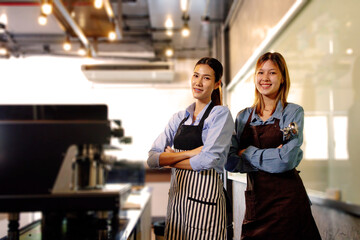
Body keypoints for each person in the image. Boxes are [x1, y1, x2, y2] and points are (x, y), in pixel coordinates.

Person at [225, 52, 321, 239]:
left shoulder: (292, 112)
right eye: (260, 73)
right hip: (257, 204)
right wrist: (272, 156)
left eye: (272, 73)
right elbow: (230, 163)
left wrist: (247, 152)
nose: (265, 78)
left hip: (289, 204)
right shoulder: (243, 116)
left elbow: (285, 161)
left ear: (283, 78)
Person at [147, 57, 234, 240]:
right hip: (178, 202)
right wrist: (191, 153)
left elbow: (208, 160)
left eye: (206, 78)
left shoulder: (220, 114)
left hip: (205, 205)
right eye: (196, 75)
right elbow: (153, 159)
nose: (198, 82)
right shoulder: (178, 118)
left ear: (217, 84)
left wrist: (170, 160)